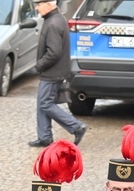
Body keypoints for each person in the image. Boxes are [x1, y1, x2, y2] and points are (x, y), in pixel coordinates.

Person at [29, 0, 87, 148]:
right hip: (54, 72)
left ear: (49, 4)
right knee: (43, 103)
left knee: (45, 103)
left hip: (52, 72)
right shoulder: (55, 19)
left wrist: (39, 65)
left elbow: (54, 53)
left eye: (39, 4)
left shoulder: (53, 23)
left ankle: (76, 127)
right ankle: (45, 138)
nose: (37, 8)